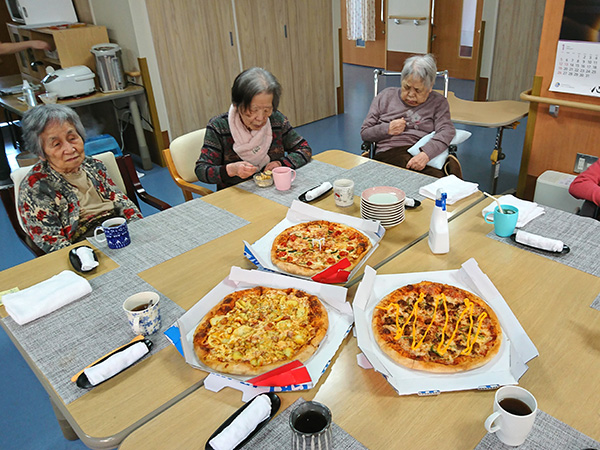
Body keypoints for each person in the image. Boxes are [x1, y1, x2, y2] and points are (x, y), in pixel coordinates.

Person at [17, 104, 142, 253]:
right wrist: (84, 256)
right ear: (41, 153)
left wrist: (140, 230)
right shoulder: (35, 187)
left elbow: (123, 203)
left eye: (72, 138)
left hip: (118, 232)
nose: (70, 149)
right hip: (83, 247)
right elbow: (54, 244)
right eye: (57, 144)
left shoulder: (93, 166)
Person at [195, 67, 312, 190]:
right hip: (236, 195)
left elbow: (304, 149)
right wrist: (231, 170)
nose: (261, 118)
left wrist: (280, 164)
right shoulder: (219, 127)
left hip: (274, 190)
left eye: (267, 110)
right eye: (253, 110)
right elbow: (202, 170)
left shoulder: (276, 120)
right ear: (237, 105)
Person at [360, 53, 456, 178]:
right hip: (390, 155)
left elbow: (446, 131)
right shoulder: (385, 97)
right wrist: (387, 129)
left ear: (430, 87)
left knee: (440, 185)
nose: (411, 95)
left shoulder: (438, 102)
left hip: (423, 155)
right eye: (406, 87)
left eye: (417, 90)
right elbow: (365, 133)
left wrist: (426, 154)